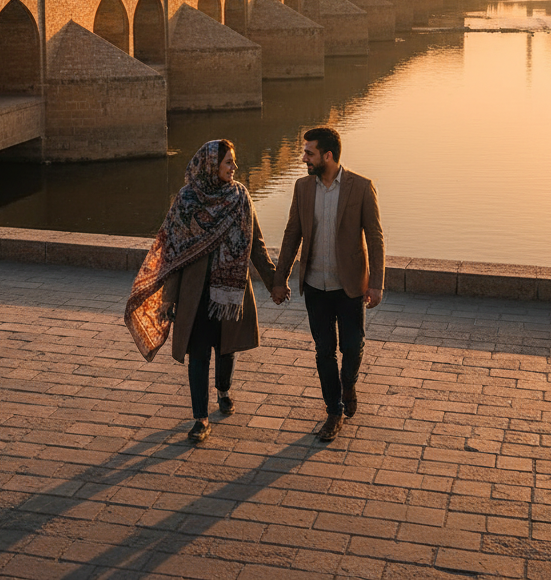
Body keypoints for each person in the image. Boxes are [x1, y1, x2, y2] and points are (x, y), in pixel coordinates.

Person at [126, 140, 275, 445]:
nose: (234, 168)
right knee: (198, 356)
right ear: (211, 167)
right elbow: (171, 252)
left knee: (226, 348)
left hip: (230, 291)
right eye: (229, 163)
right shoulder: (186, 200)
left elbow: (256, 244)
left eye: (233, 162)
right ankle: (200, 419)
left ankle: (223, 389)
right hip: (195, 293)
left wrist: (275, 282)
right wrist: (169, 297)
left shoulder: (240, 197)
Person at [272, 126, 385, 443]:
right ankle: (333, 411)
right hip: (315, 286)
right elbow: (292, 234)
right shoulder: (303, 188)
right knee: (324, 351)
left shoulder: (360, 187)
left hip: (349, 287)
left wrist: (376, 284)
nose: (303, 158)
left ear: (328, 155)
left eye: (309, 152)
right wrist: (279, 280)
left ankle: (349, 383)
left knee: (352, 347)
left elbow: (375, 239)